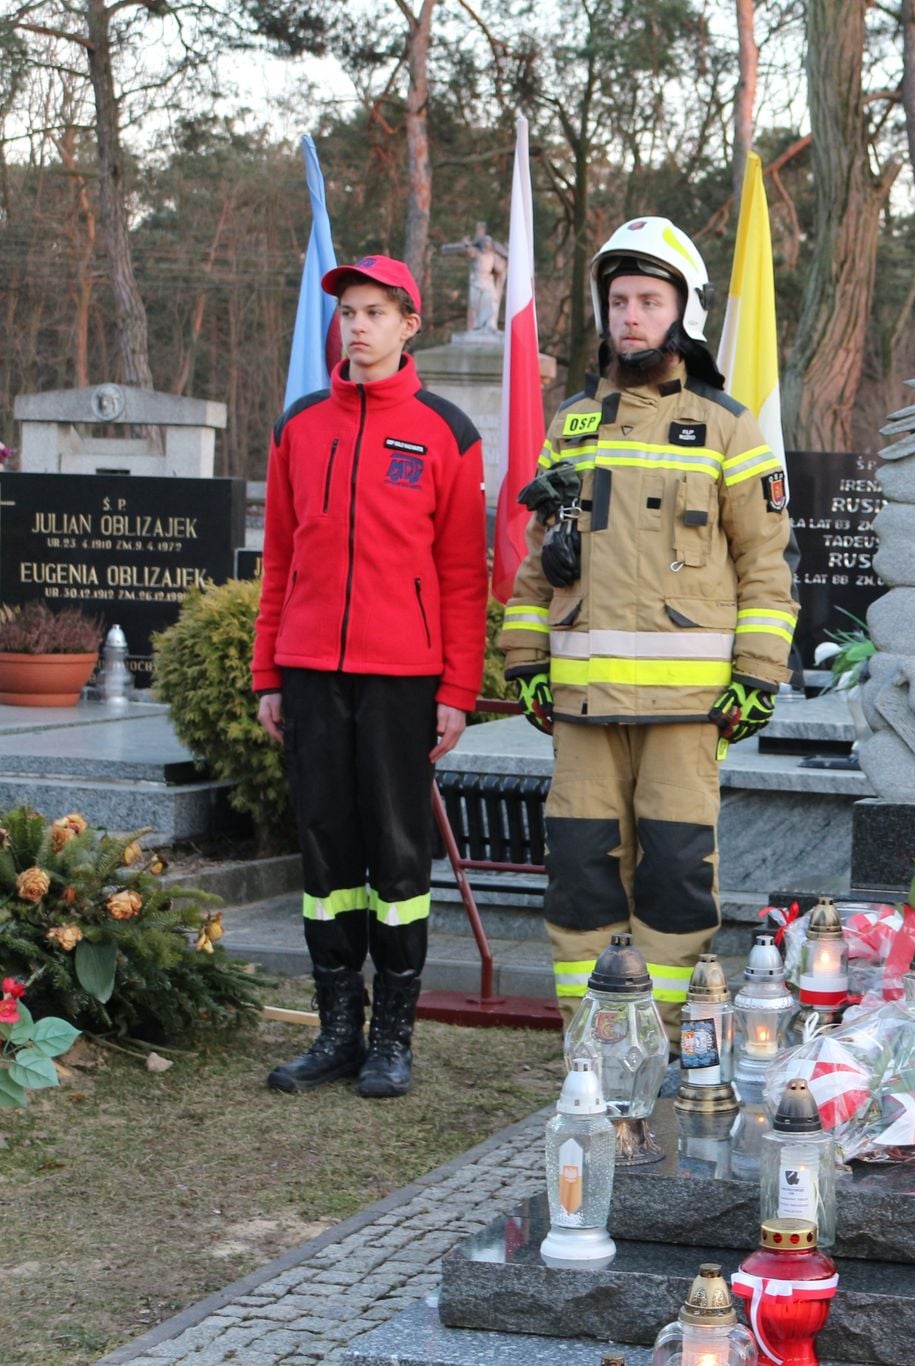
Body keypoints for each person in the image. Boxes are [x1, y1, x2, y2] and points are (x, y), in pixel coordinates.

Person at [498, 216, 796, 1028]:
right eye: (619, 300)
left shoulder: (729, 428)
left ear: (682, 314)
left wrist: (759, 675)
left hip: (686, 713)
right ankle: (589, 1045)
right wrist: (524, 656)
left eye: (648, 301)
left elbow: (768, 567)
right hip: (585, 709)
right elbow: (536, 557)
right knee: (580, 879)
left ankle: (662, 1046)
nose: (630, 316)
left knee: (673, 880)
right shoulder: (573, 426)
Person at [254, 254, 487, 1098]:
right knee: (325, 855)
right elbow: (279, 559)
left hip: (402, 678)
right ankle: (336, 1033)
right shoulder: (299, 427)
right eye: (349, 312)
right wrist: (268, 674)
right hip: (311, 673)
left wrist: (456, 691)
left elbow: (464, 575)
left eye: (375, 312)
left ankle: (394, 1038)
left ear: (408, 324)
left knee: (396, 860)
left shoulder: (447, 432)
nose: (357, 326)